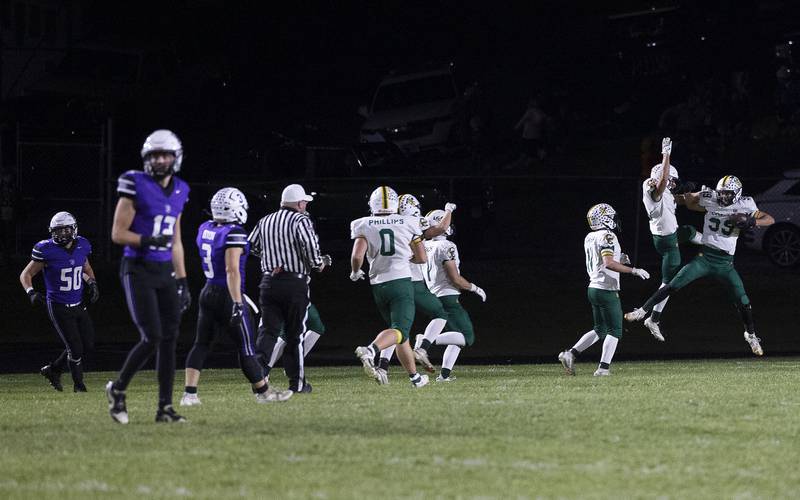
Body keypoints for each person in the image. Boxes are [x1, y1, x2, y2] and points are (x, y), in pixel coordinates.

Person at [625, 176, 774, 355]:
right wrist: (685, 191)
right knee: (673, 284)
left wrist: (752, 221)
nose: (723, 197)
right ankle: (642, 311)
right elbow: (686, 201)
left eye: (728, 194)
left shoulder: (746, 204)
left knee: (743, 301)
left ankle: (750, 335)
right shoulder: (710, 197)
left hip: (726, 263)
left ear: (737, 194)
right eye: (721, 193)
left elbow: (769, 219)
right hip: (705, 257)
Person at [106, 129, 192, 424]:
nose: (160, 160)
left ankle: (164, 408)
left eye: (165, 155)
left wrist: (183, 280)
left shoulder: (181, 189)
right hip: (137, 268)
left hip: (165, 270)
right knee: (152, 336)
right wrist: (145, 240)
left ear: (175, 157)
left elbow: (176, 240)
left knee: (170, 338)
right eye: (155, 155)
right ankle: (118, 389)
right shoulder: (135, 183)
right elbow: (118, 233)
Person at [180, 188, 292, 406]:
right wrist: (238, 302)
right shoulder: (234, 233)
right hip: (228, 294)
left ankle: (189, 394)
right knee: (246, 348)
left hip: (208, 291)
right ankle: (264, 393)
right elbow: (232, 270)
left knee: (201, 344)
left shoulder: (205, 228)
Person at [248, 184, 329, 393]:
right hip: (293, 282)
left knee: (267, 332)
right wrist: (318, 263)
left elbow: (252, 246)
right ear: (300, 203)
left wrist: (272, 259)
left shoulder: (265, 220)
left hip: (268, 281)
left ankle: (258, 379)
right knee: (295, 334)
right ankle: (297, 383)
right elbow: (311, 249)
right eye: (304, 203)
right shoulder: (300, 220)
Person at [558, 204, 651, 377]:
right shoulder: (608, 235)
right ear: (605, 219)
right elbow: (608, 263)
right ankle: (603, 368)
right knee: (615, 330)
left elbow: (602, 261)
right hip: (606, 289)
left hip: (593, 287)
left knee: (600, 329)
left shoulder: (590, 236)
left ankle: (570, 353)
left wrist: (619, 259)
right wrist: (633, 270)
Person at [351, 186, 430, 388]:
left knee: (400, 334)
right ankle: (370, 350)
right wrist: (405, 258)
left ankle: (415, 378)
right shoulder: (408, 222)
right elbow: (422, 257)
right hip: (401, 282)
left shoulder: (364, 224)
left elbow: (357, 256)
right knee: (400, 330)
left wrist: (355, 272)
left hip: (378, 285)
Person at [376, 193, 456, 381]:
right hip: (411, 280)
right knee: (440, 313)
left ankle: (382, 367)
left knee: (397, 328)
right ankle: (422, 348)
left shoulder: (385, 224)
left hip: (387, 280)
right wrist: (449, 210)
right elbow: (441, 228)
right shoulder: (413, 222)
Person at [19, 211, 99, 392]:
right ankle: (79, 386)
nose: (62, 234)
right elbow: (26, 274)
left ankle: (53, 369)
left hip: (78, 303)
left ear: (74, 229)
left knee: (88, 344)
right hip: (58, 306)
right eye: (58, 230)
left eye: (65, 230)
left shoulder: (82, 245)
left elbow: (84, 267)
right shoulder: (46, 250)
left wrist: (92, 283)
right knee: (75, 348)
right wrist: (31, 292)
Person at [639, 137, 703, 340]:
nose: (673, 184)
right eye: (671, 180)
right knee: (668, 283)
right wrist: (666, 154)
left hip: (671, 234)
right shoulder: (653, 188)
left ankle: (711, 244)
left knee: (690, 231)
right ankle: (653, 319)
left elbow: (678, 198)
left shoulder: (665, 192)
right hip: (666, 242)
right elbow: (662, 185)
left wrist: (698, 194)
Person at [419, 209, 487, 382]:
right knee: (467, 337)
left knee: (455, 337)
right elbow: (455, 278)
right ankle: (424, 342)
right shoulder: (446, 245)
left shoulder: (424, 245)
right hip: (447, 296)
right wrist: (474, 288)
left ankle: (444, 375)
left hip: (433, 294)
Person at [259, 303, 326, 389]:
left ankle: (292, 365)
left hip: (301, 299)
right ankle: (263, 371)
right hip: (286, 299)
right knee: (285, 333)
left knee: (317, 327)